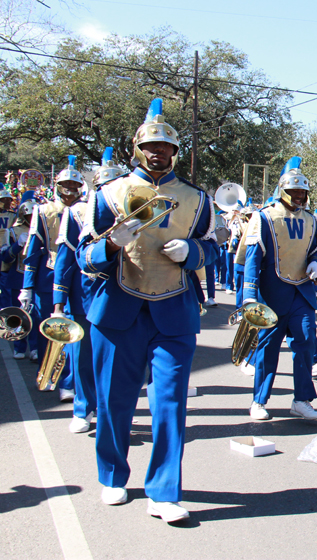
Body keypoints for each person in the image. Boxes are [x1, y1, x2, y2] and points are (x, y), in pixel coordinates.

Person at [76, 98, 217, 522]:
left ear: (175, 152)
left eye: (166, 147)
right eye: (151, 146)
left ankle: (164, 491)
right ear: (138, 149)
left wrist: (192, 252)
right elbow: (84, 257)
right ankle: (112, 475)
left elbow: (212, 247)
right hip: (117, 310)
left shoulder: (197, 198)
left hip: (174, 310)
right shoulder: (107, 194)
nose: (159, 152)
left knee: (170, 404)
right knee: (114, 401)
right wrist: (111, 244)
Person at [242, 157, 317, 421]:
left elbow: (316, 250)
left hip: (302, 292)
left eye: (303, 192)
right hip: (272, 293)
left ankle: (301, 400)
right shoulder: (264, 216)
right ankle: (259, 400)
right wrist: (249, 295)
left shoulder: (311, 220)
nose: (299, 196)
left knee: (306, 343)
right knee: (268, 348)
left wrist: (315, 263)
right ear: (282, 191)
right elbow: (253, 258)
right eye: (294, 191)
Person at [54, 150, 121, 434]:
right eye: (103, 185)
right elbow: (65, 261)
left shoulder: (136, 211)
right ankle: (83, 409)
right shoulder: (76, 212)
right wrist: (58, 303)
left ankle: (112, 411)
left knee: (116, 360)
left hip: (120, 295)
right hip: (83, 296)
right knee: (82, 357)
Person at [22, 155, 86, 399]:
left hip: (78, 276)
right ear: (57, 186)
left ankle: (69, 381)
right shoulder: (43, 210)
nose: (70, 189)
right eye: (65, 184)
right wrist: (27, 286)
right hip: (48, 276)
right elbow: (33, 249)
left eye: (75, 185)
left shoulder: (87, 209)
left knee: (74, 331)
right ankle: (48, 372)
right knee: (48, 330)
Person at [4, 191, 40, 359]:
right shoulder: (13, 231)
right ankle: (19, 346)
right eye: (28, 215)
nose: (31, 218)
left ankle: (35, 347)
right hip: (18, 276)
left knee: (35, 314)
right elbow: (6, 258)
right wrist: (17, 245)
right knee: (18, 313)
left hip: (36, 277)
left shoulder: (43, 229)